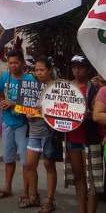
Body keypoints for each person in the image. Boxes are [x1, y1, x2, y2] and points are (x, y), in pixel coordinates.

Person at [0, 49, 34, 201]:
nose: (13, 66)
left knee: (25, 162)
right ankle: (7, 187)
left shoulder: (30, 79)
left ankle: (26, 191)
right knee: (8, 158)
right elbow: (0, 93)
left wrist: (13, 103)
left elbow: (33, 103)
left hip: (23, 124)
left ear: (22, 62)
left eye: (16, 62)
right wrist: (2, 102)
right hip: (7, 122)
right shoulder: (5, 76)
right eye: (10, 63)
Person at [65, 55, 102, 213]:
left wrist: (90, 114)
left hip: (91, 139)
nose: (77, 70)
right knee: (78, 177)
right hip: (72, 137)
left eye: (80, 67)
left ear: (87, 69)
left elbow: (99, 113)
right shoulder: (65, 88)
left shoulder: (95, 88)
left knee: (91, 179)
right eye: (74, 67)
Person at [22, 56, 59, 212]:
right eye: (36, 70)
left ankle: (50, 201)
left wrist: (41, 112)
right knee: (29, 165)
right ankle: (34, 197)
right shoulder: (31, 86)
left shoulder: (57, 88)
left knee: (49, 165)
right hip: (34, 132)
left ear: (49, 70)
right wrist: (27, 112)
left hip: (49, 133)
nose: (38, 73)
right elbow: (24, 107)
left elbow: (59, 110)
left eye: (42, 70)